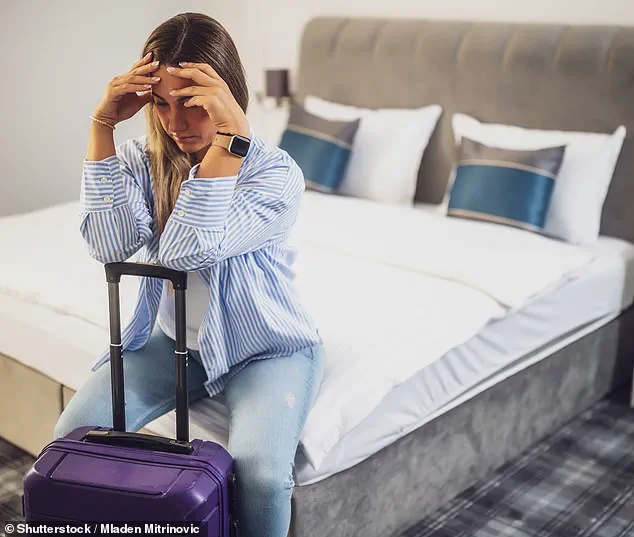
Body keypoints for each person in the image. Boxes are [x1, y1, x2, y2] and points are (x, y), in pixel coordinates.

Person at [53, 12, 325, 537]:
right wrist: (101, 125)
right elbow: (106, 244)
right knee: (73, 438)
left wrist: (229, 143)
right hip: (173, 342)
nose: (175, 123)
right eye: (161, 103)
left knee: (262, 478)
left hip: (266, 347)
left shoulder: (275, 174)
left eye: (193, 103)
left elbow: (185, 252)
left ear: (228, 95)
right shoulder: (143, 160)